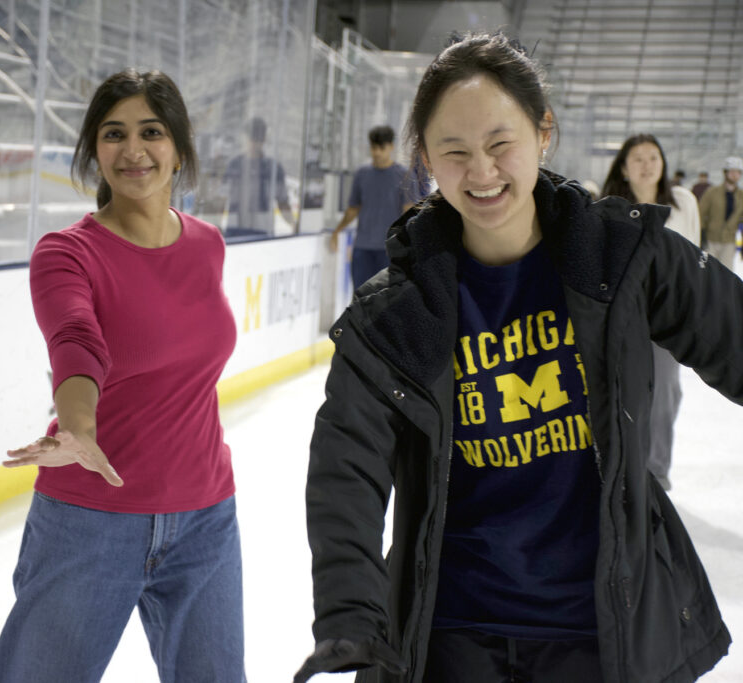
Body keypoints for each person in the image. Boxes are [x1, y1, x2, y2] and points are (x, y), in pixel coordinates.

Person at [295, 32, 742, 683]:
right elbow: (346, 465)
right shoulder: (392, 315)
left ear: (543, 133)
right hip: (453, 634)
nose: (481, 171)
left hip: (600, 629)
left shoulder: (623, 257)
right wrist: (350, 611)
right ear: (425, 158)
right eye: (455, 150)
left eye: (501, 143)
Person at [0, 68, 246, 683]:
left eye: (151, 132)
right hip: (90, 523)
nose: (133, 151)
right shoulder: (67, 253)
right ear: (93, 151)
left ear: (179, 147)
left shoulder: (207, 245)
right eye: (113, 134)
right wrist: (78, 425)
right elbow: (76, 341)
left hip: (206, 517)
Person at [601, 133, 700, 491]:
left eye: (653, 157)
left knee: (665, 393)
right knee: (622, 393)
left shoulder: (683, 201)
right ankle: (623, 468)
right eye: (638, 159)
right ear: (624, 168)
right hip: (625, 315)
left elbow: (695, 255)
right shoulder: (610, 206)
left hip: (668, 314)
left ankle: (656, 473)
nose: (647, 165)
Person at [330, 125, 427, 290]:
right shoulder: (362, 174)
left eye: (381, 148)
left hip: (390, 251)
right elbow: (353, 208)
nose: (377, 153)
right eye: (374, 148)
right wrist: (337, 230)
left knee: (386, 301)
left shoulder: (403, 175)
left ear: (391, 147)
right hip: (363, 248)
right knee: (361, 300)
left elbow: (409, 213)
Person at [222, 116, 293, 239]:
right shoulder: (234, 166)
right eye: (251, 137)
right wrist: (214, 224)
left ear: (264, 139)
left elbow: (283, 202)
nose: (254, 142)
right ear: (244, 137)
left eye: (258, 138)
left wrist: (294, 225)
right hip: (234, 230)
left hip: (262, 232)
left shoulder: (273, 168)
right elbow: (221, 199)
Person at [698, 156, 743, 269]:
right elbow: (700, 214)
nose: (735, 175)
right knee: (706, 270)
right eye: (732, 171)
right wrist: (701, 237)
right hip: (710, 240)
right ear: (725, 173)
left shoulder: (741, 196)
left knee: (726, 273)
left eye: (738, 172)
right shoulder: (712, 192)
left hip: (729, 241)